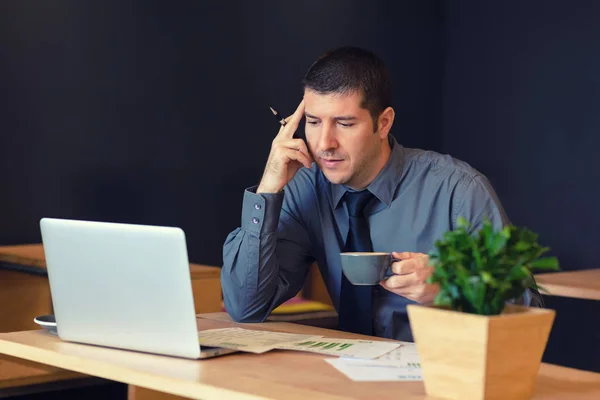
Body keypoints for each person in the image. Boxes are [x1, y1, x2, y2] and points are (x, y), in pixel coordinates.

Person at [221, 46, 542, 341]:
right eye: (314, 122)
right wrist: (268, 189)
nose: (324, 144)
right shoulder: (305, 187)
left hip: (444, 376)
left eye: (345, 124)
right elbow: (246, 306)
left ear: (383, 123)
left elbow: (528, 311)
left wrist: (452, 286)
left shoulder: (458, 189)